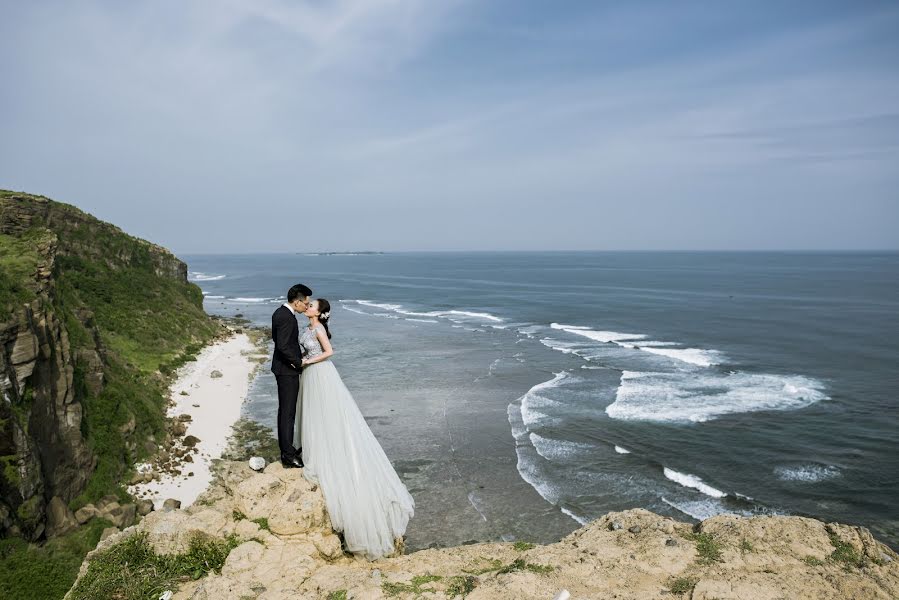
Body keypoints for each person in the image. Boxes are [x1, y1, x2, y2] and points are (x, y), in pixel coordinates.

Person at [297, 298, 415, 560]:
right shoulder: (306, 328)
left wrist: (307, 361)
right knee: (315, 415)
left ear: (321, 312)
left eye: (313, 306)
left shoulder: (317, 330)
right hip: (312, 376)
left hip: (320, 373)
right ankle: (317, 449)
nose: (309, 307)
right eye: (308, 305)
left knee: (329, 414)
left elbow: (329, 352)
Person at [270, 283, 312, 468]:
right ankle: (287, 454)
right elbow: (283, 346)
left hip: (283, 368)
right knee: (288, 413)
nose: (307, 307)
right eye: (305, 303)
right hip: (287, 370)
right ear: (297, 302)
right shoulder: (287, 318)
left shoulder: (280, 313)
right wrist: (298, 361)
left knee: (286, 412)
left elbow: (278, 341)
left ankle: (288, 449)